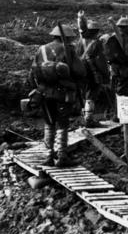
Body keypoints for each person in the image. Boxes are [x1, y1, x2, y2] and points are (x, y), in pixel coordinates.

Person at [30, 24, 86, 167]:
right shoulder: (69, 51)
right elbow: (80, 71)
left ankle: (49, 157)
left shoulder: (41, 49)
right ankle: (62, 156)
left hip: (43, 93)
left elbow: (32, 74)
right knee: (63, 124)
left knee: (49, 124)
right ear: (66, 38)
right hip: (63, 93)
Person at [76, 15, 110, 127]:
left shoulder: (80, 41)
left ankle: (85, 116)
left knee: (85, 95)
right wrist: (100, 73)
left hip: (80, 70)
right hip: (91, 71)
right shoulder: (96, 43)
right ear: (96, 31)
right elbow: (95, 59)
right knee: (91, 95)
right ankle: (89, 119)